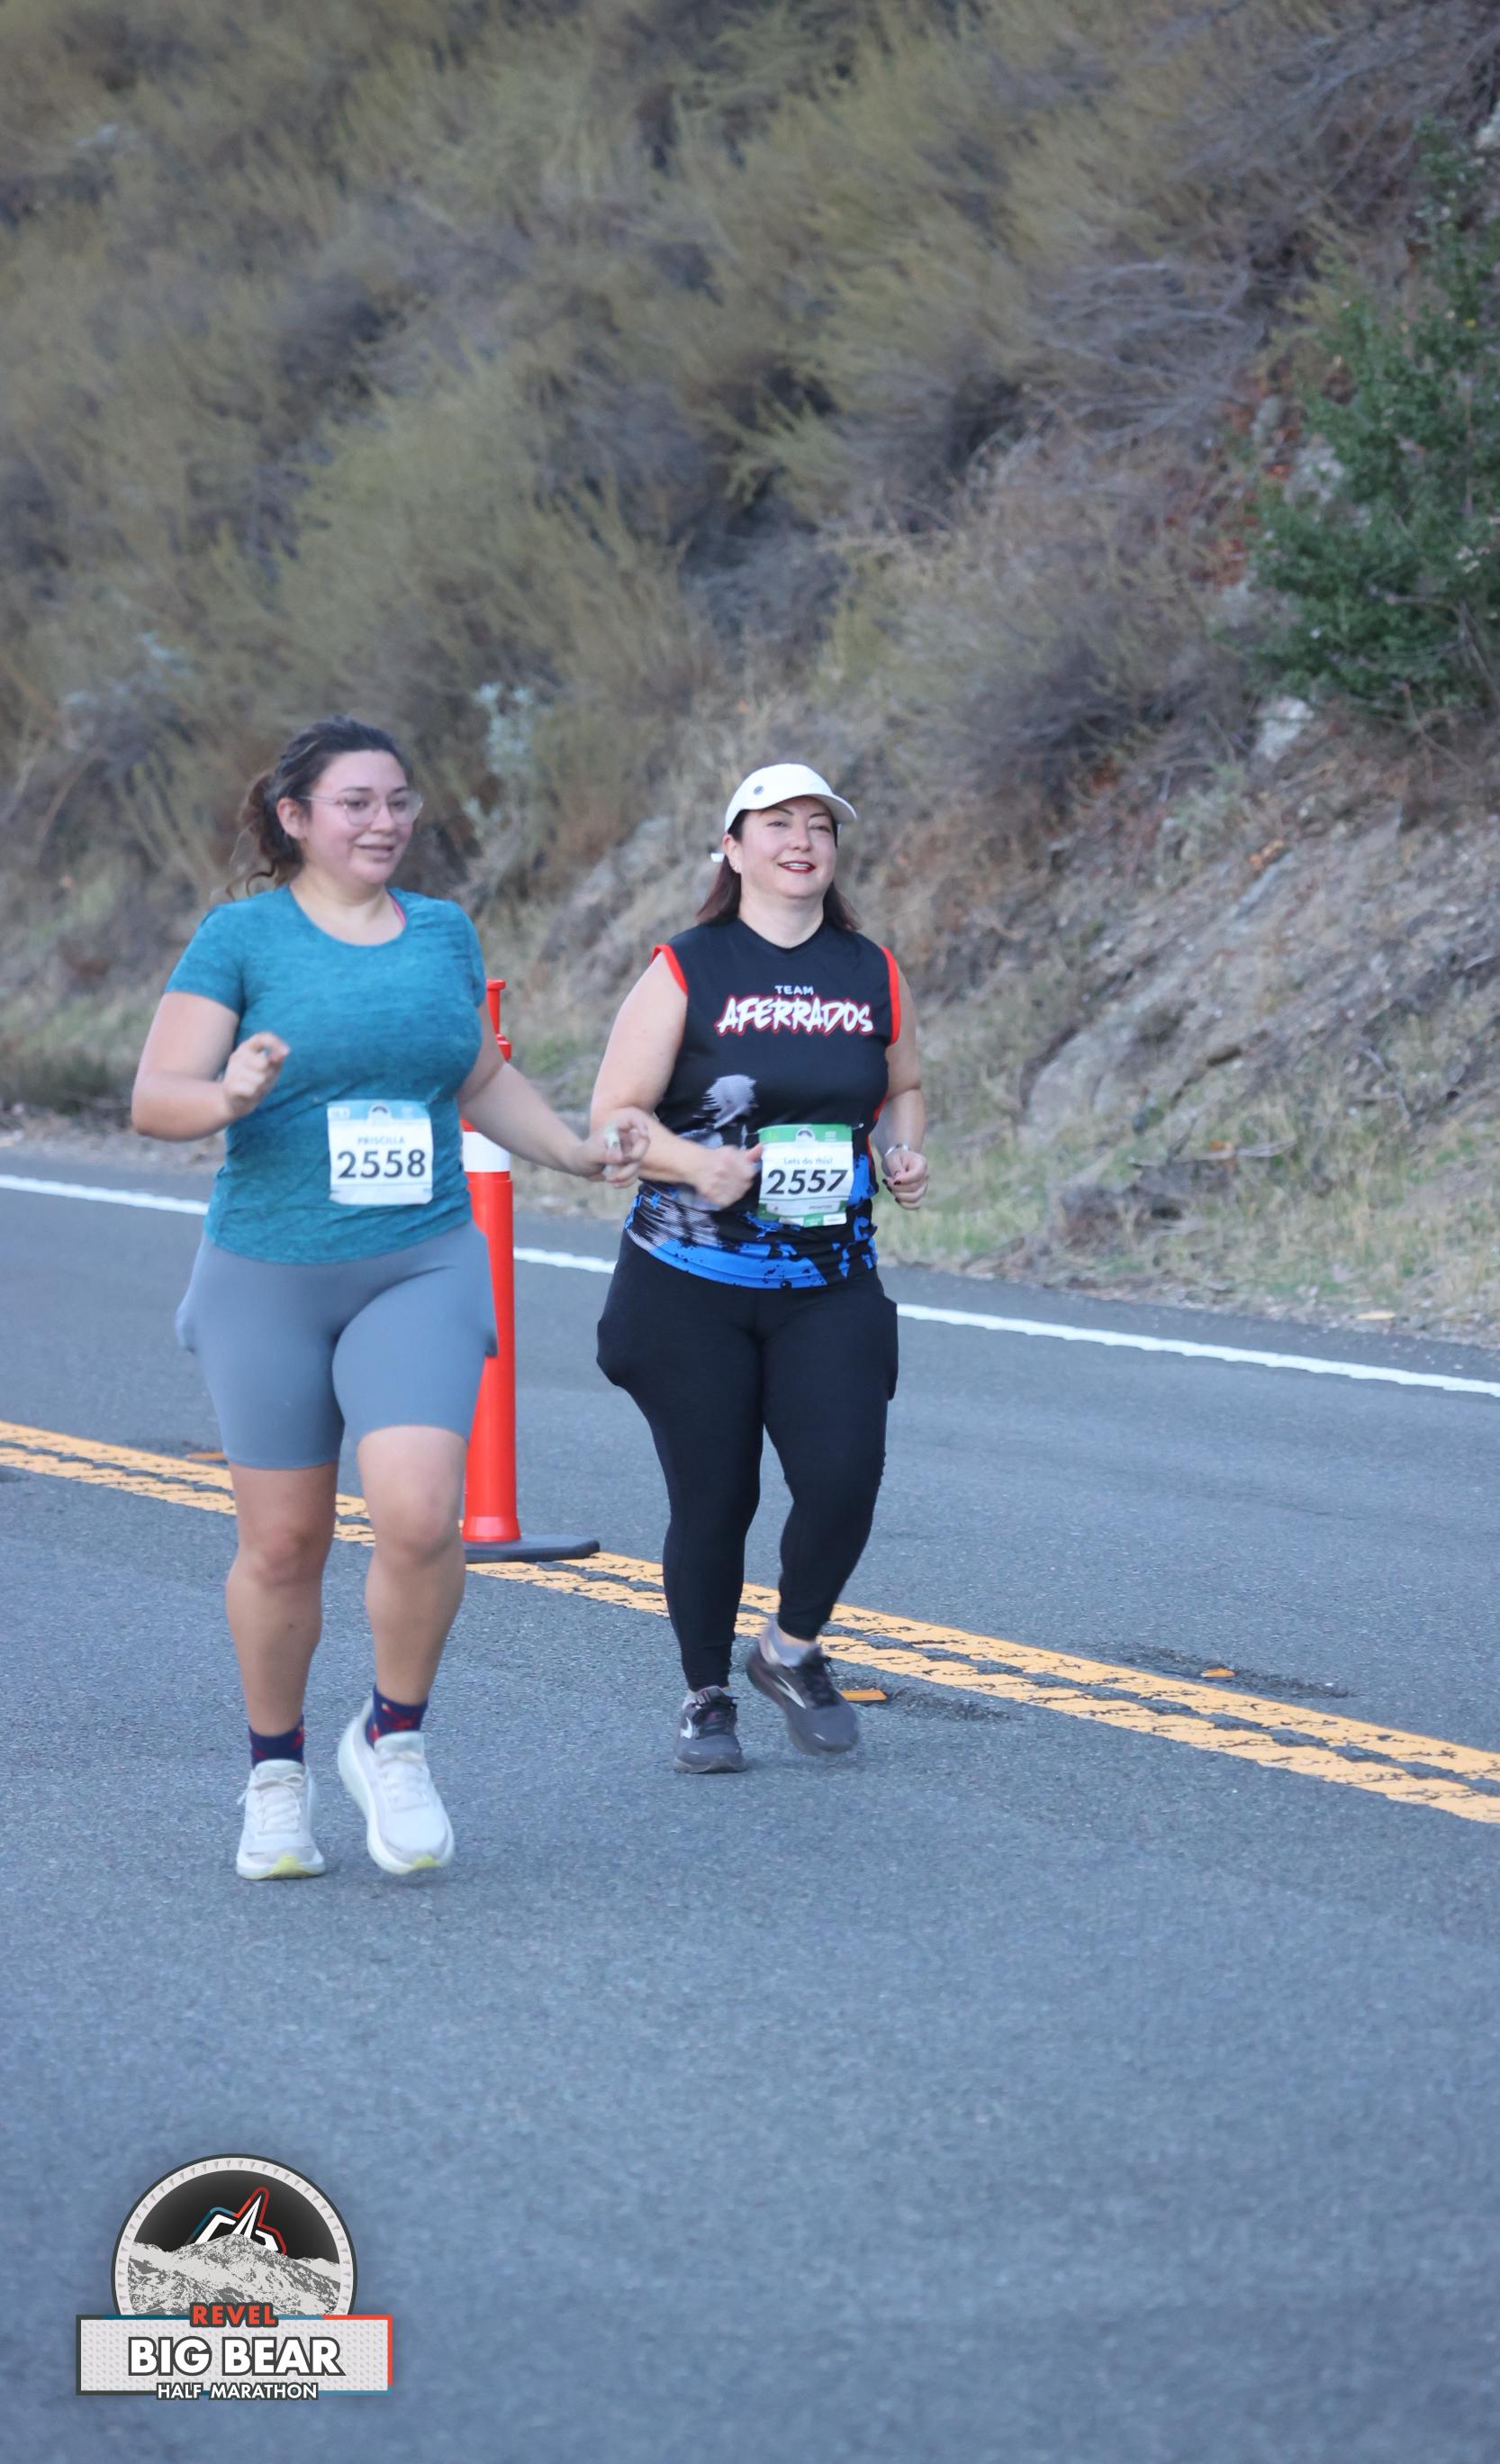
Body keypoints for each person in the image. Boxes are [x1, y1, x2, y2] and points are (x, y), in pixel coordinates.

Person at [131, 714, 647, 1880]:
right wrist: (229, 1095)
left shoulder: (443, 932)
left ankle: (394, 1739)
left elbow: (477, 1074)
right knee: (284, 1544)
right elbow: (157, 1097)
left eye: (399, 800)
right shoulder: (241, 937)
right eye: (356, 802)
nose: (384, 822)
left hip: (418, 1259)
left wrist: (570, 1149)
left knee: (419, 1517)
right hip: (268, 1270)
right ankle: (276, 1775)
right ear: (296, 817)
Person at [591, 760, 927, 1772]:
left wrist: (903, 1150)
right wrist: (697, 1164)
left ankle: (789, 1648)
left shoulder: (871, 970)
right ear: (733, 849)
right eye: (776, 823)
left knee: (843, 1478)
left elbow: (903, 1085)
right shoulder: (687, 967)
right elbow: (615, 1118)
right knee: (715, 1498)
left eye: (819, 825)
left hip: (829, 1282)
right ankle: (706, 1694)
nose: (801, 840)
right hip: (688, 1285)